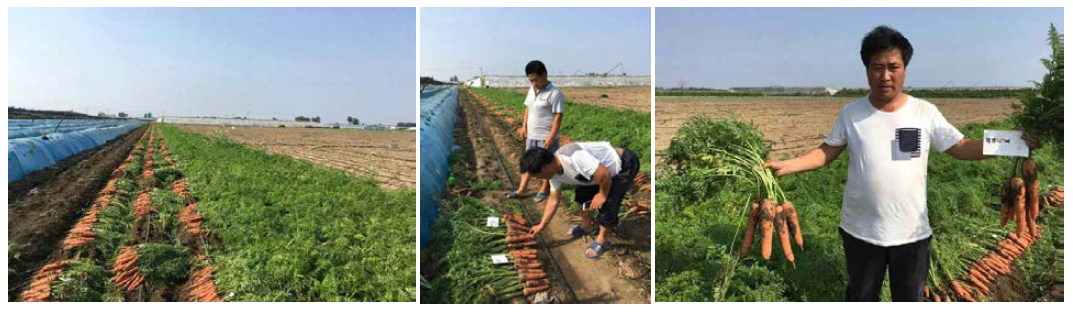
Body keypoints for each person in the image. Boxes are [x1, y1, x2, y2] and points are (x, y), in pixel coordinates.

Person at [762, 25, 1035, 302]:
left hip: (912, 233)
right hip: (861, 231)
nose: (885, 76)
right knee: (860, 296)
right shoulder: (851, 113)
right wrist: (789, 165)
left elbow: (961, 147)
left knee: (908, 299)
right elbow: (825, 152)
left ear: (905, 68)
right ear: (866, 69)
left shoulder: (924, 112)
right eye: (876, 67)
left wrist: (1014, 142)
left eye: (893, 67)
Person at [519, 142, 640, 258]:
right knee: (582, 195)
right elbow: (554, 199)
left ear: (544, 168)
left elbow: (604, 173)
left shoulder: (573, 157)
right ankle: (586, 226)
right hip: (597, 172)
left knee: (608, 203)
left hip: (623, 165)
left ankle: (602, 239)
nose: (538, 179)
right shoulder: (553, 171)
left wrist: (602, 195)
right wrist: (542, 225)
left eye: (537, 176)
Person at [507, 60, 564, 203]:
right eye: (530, 80)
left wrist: (551, 137)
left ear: (544, 75)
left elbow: (558, 115)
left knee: (545, 166)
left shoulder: (555, 93)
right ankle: (521, 190)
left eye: (535, 79)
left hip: (545, 137)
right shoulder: (531, 90)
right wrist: (524, 126)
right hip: (531, 135)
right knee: (528, 164)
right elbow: (528, 108)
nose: (533, 83)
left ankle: (543, 190)